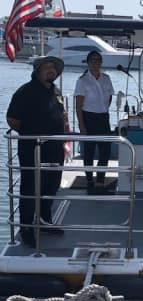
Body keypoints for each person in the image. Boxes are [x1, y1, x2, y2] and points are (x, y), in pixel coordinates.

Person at [6, 56, 66, 247]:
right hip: (33, 149)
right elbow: (12, 120)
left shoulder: (56, 91)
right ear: (37, 70)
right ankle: (26, 229)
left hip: (55, 149)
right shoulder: (26, 92)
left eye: (54, 68)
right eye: (47, 67)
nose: (51, 70)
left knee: (51, 186)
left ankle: (44, 221)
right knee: (31, 189)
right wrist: (31, 133)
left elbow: (62, 116)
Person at [74, 50, 114, 194]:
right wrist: (81, 125)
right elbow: (78, 105)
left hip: (103, 117)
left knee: (105, 151)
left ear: (101, 62)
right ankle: (90, 180)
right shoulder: (82, 80)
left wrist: (102, 109)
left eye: (98, 60)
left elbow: (109, 97)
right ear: (88, 62)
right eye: (92, 60)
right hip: (88, 117)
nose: (95, 63)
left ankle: (100, 181)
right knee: (89, 152)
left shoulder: (106, 78)